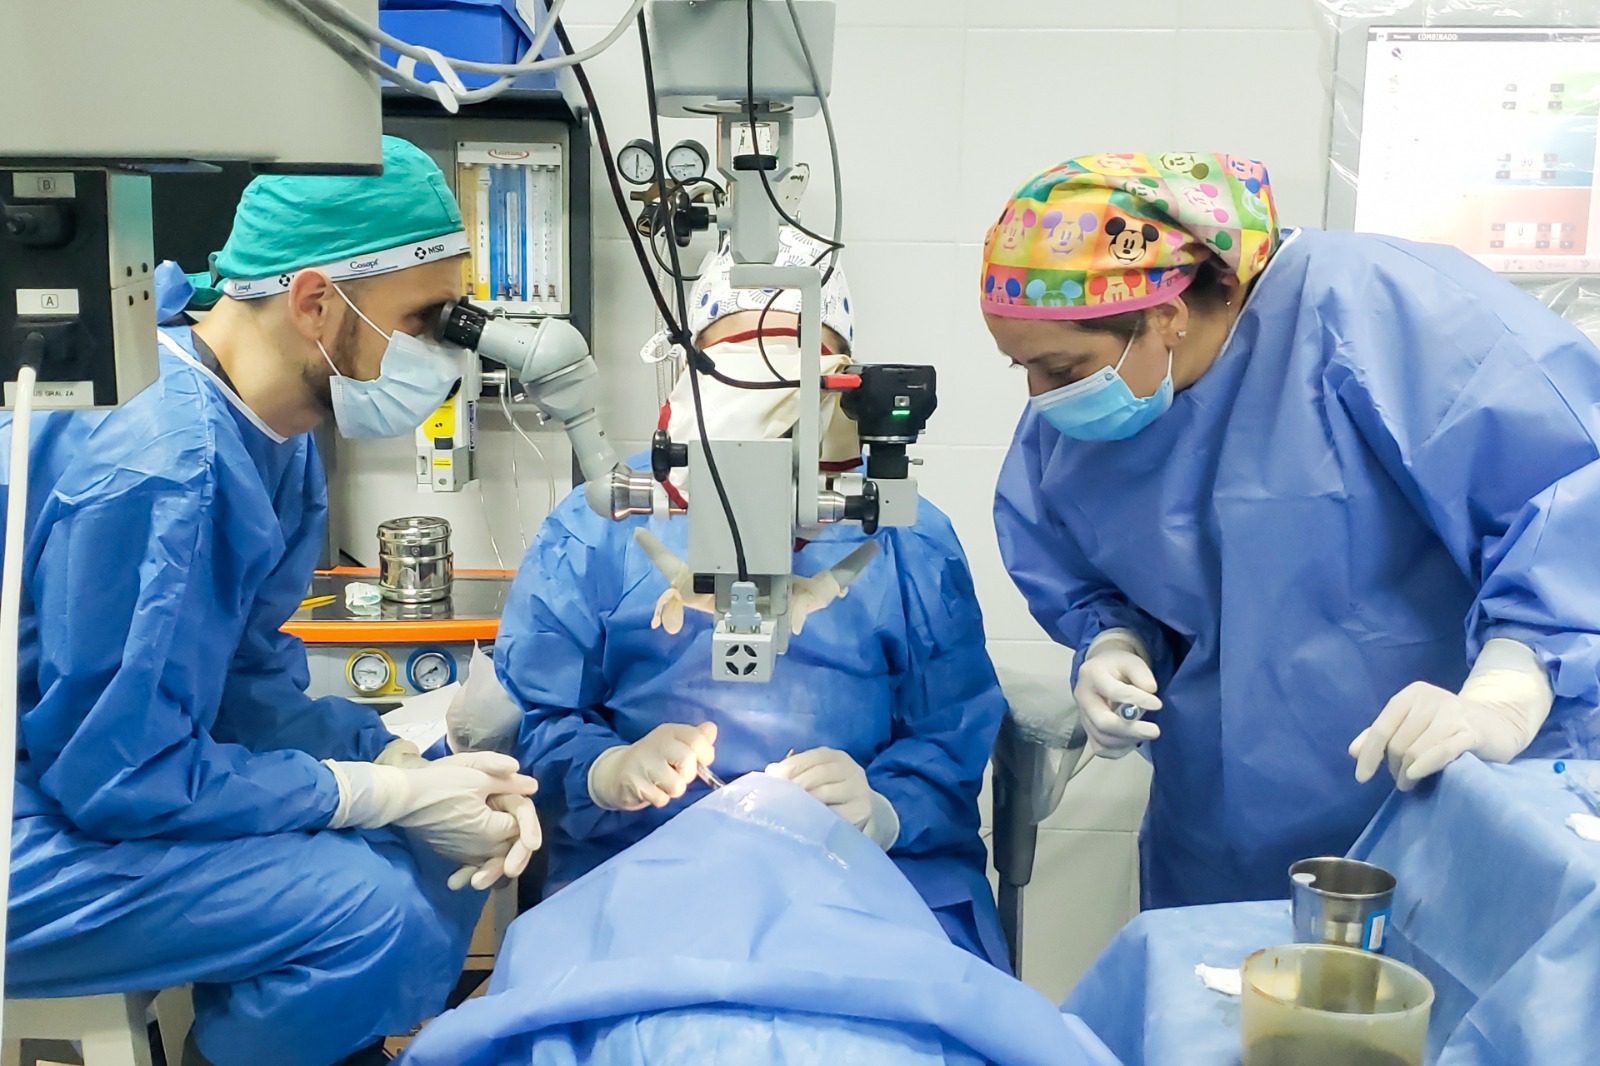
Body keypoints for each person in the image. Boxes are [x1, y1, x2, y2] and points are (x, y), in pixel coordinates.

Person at [2, 137, 541, 1066]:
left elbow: (246, 691)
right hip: (39, 820)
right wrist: (381, 793)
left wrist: (408, 759)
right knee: (367, 910)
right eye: (420, 322)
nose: (437, 355)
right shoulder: (165, 465)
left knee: (436, 859)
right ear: (314, 302)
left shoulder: (273, 437)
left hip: (96, 780)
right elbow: (115, 772)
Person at [981, 152, 1600, 909]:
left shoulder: (1383, 315)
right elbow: (1093, 567)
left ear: (1165, 317)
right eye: (1024, 370)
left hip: (1453, 796)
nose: (1043, 399)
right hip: (1221, 829)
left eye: (1059, 366)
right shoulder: (1085, 413)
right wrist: (1116, 641)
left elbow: (1569, 501)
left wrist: (1503, 694)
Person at [490, 229, 1012, 969]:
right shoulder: (598, 527)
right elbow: (534, 718)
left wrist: (884, 808)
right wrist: (606, 771)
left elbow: (952, 732)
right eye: (740, 389)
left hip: (866, 883)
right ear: (692, 388)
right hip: (644, 873)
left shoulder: (904, 537)